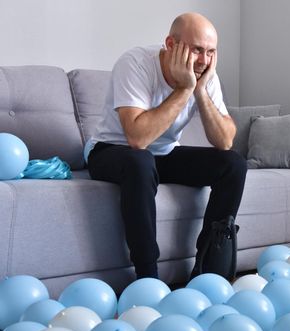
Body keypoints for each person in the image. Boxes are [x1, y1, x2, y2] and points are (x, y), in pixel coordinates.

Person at [83, 12, 247, 281]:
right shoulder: (135, 63)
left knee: (234, 164)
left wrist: (201, 90)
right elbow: (138, 138)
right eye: (196, 50)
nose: (204, 61)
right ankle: (148, 277)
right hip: (110, 150)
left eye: (210, 52)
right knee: (140, 159)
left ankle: (209, 272)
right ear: (171, 45)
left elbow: (225, 141)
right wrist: (184, 89)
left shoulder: (206, 74)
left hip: (162, 154)